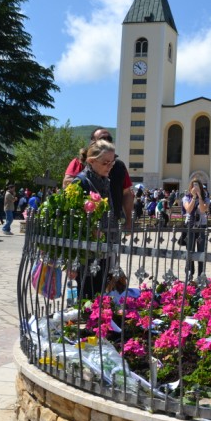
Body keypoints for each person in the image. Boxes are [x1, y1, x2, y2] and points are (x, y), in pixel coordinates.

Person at [71, 139, 118, 298]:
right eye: (105, 163)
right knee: (88, 293)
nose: (109, 167)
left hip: (104, 246)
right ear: (91, 161)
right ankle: (88, 319)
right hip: (86, 250)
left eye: (112, 163)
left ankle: (98, 320)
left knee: (101, 292)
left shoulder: (105, 181)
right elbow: (73, 219)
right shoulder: (81, 182)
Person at [63, 128, 133, 230]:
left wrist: (128, 220)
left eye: (109, 138)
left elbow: (127, 193)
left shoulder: (119, 166)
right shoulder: (79, 163)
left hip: (112, 224)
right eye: (102, 138)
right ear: (93, 142)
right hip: (88, 229)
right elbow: (68, 188)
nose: (106, 140)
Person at [182, 174, 209, 278]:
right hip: (190, 225)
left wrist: (200, 197)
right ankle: (189, 273)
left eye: (197, 185)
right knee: (190, 250)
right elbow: (188, 209)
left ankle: (200, 274)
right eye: (194, 185)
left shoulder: (205, 198)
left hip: (201, 225)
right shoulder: (186, 198)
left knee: (201, 251)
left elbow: (202, 210)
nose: (195, 187)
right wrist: (194, 197)